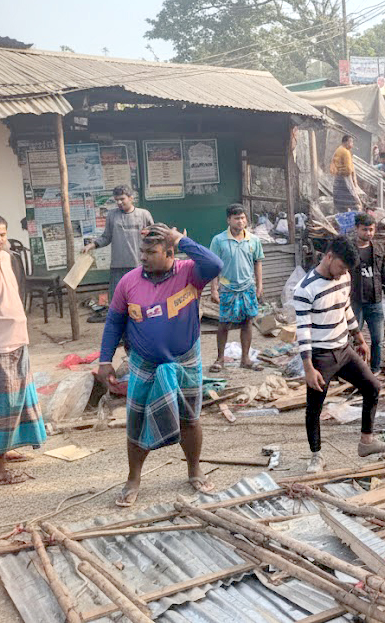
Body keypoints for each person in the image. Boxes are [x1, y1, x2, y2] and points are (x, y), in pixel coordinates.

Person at [96, 224, 224, 507]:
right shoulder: (128, 282)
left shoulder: (190, 273)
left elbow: (215, 264)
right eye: (142, 251)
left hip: (185, 361)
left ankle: (194, 471)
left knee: (190, 419)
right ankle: (133, 479)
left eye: (151, 252)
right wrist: (105, 360)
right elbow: (114, 321)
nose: (143, 257)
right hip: (145, 364)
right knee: (136, 421)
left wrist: (181, 239)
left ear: (170, 253)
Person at [294, 235, 385, 471]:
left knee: (373, 387)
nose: (343, 273)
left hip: (344, 349)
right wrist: (308, 368)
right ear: (329, 257)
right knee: (314, 407)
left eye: (347, 269)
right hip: (321, 355)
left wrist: (359, 338)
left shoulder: (345, 276)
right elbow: (303, 331)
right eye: (341, 266)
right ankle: (316, 455)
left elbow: (345, 308)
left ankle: (366, 442)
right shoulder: (305, 289)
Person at [0, 215, 45, 486]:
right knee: (1, 407)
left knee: (18, 401)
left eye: (2, 234)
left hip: (18, 339)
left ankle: (6, 448)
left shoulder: (8, 258)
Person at [208, 204, 264, 373]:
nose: (240, 221)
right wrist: (214, 289)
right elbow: (213, 267)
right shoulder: (218, 240)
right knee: (224, 323)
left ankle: (245, 359)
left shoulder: (253, 240)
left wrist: (259, 285)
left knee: (247, 322)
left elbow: (258, 262)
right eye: (236, 218)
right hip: (227, 288)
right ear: (229, 220)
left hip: (247, 287)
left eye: (243, 218)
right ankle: (220, 359)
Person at [83, 185, 154, 305]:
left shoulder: (144, 214)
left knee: (141, 300)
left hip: (139, 265)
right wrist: (91, 245)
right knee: (117, 301)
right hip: (118, 267)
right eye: (117, 200)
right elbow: (106, 237)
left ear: (131, 198)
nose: (119, 202)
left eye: (122, 199)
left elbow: (153, 236)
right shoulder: (112, 215)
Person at [350, 213, 385, 374]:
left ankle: (375, 369)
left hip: (375, 300)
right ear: (356, 229)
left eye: (371, 230)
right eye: (365, 229)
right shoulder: (349, 249)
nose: (368, 233)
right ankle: (354, 371)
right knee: (353, 338)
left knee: (378, 339)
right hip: (355, 300)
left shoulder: (378, 249)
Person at [330, 134, 361, 212]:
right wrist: (352, 181)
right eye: (351, 142)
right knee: (352, 199)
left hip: (338, 177)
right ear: (347, 142)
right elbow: (348, 169)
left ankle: (342, 213)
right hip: (344, 177)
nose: (352, 144)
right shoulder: (345, 152)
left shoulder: (339, 150)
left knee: (340, 200)